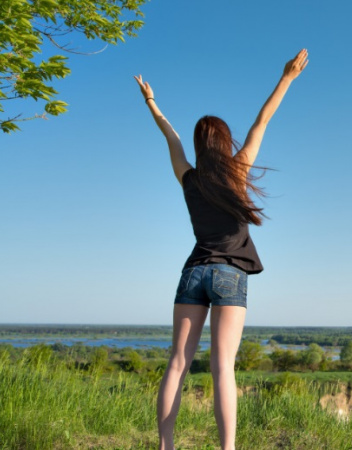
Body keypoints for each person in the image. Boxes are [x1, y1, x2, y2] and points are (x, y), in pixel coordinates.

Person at [134, 48, 308, 450]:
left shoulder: (188, 178)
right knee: (222, 367)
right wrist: (287, 78)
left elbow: (171, 135)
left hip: (193, 272)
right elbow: (262, 120)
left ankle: (165, 446)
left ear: (199, 145)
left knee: (177, 364)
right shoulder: (240, 168)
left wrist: (151, 102)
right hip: (230, 275)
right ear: (225, 142)